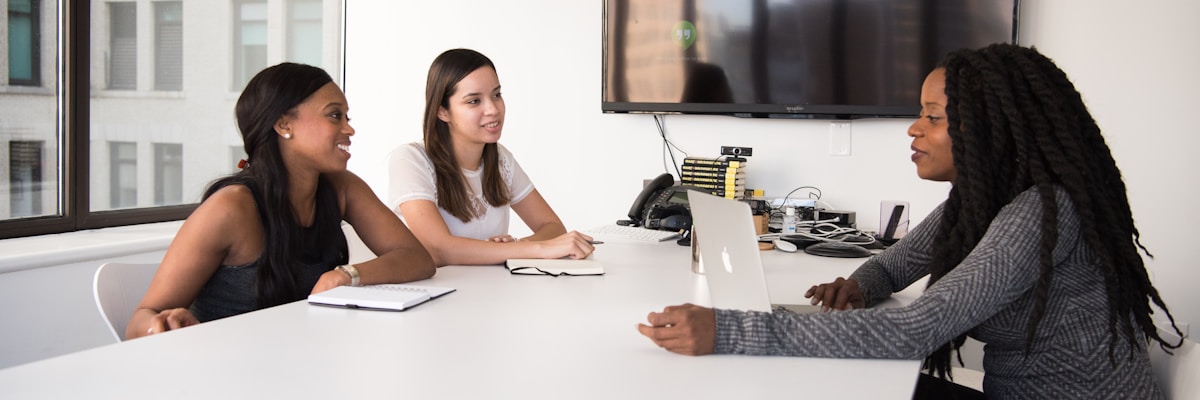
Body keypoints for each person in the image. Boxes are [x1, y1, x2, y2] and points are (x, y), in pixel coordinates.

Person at [636, 44, 1183, 399]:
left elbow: (914, 330)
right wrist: (858, 285)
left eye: (933, 116)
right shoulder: (979, 203)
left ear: (992, 129)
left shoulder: (1041, 212)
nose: (913, 130)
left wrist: (728, 330)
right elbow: (896, 265)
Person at [126, 63, 436, 339]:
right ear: (284, 124)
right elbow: (139, 322)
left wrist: (345, 275)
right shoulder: (231, 208)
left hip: (299, 361)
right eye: (334, 115)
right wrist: (161, 325)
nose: (349, 128)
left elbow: (416, 258)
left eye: (346, 116)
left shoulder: (342, 188)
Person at [387, 48, 594, 266]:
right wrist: (524, 249)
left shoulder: (501, 159)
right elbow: (439, 249)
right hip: (439, 295)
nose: (493, 109)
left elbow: (552, 227)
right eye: (474, 101)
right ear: (442, 111)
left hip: (491, 292)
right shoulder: (410, 160)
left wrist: (511, 249)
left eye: (496, 95)